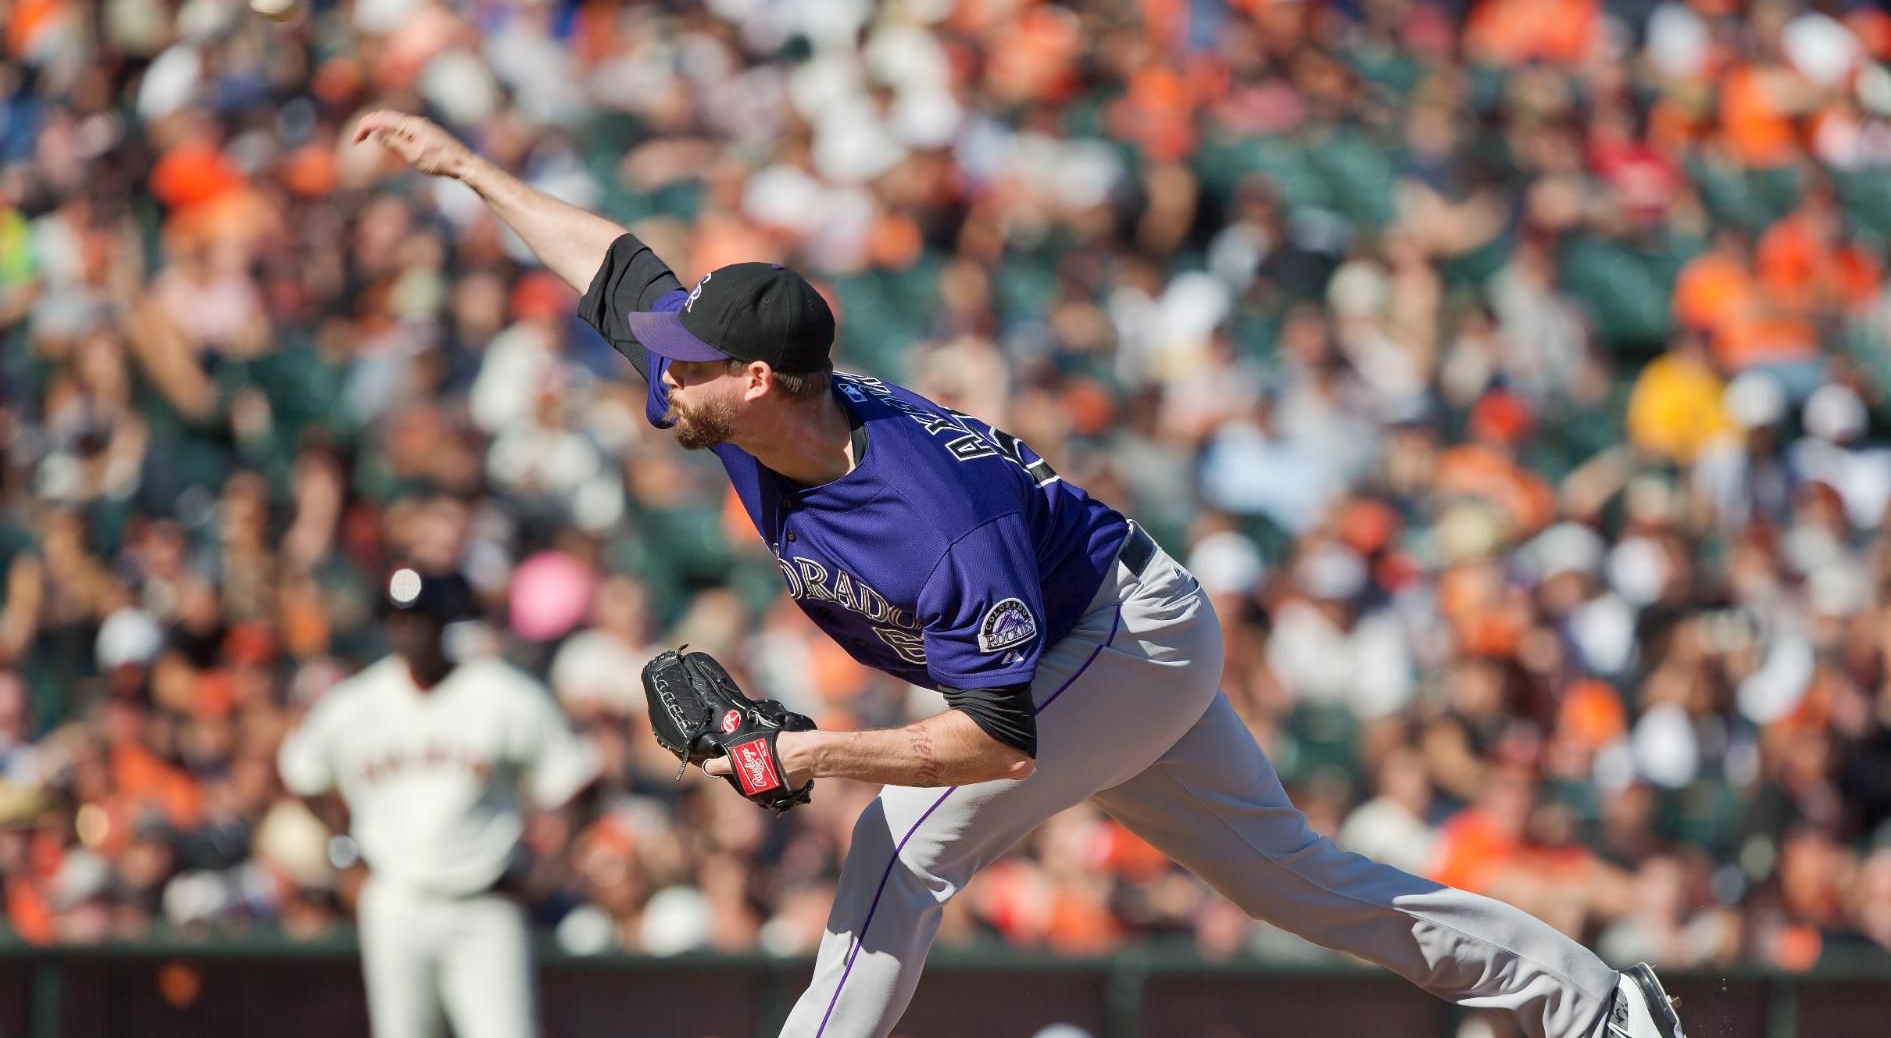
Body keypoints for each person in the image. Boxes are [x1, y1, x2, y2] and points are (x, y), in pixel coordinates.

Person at [349, 109, 1688, 1038]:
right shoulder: (748, 400)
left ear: (759, 381)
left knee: (898, 852)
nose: (663, 373)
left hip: (1115, 641)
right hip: (1088, 638)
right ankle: (1599, 1009)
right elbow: (612, 265)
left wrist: (807, 757)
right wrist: (467, 168)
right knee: (1301, 881)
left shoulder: (931, 515)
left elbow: (996, 746)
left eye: (690, 362)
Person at [278, 565, 602, 1038]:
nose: (408, 632)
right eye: (398, 620)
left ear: (445, 624)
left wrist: (548, 872)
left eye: (420, 620)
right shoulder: (357, 702)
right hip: (394, 899)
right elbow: (300, 770)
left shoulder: (500, 694)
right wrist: (343, 848)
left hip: (483, 901)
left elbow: (577, 780)